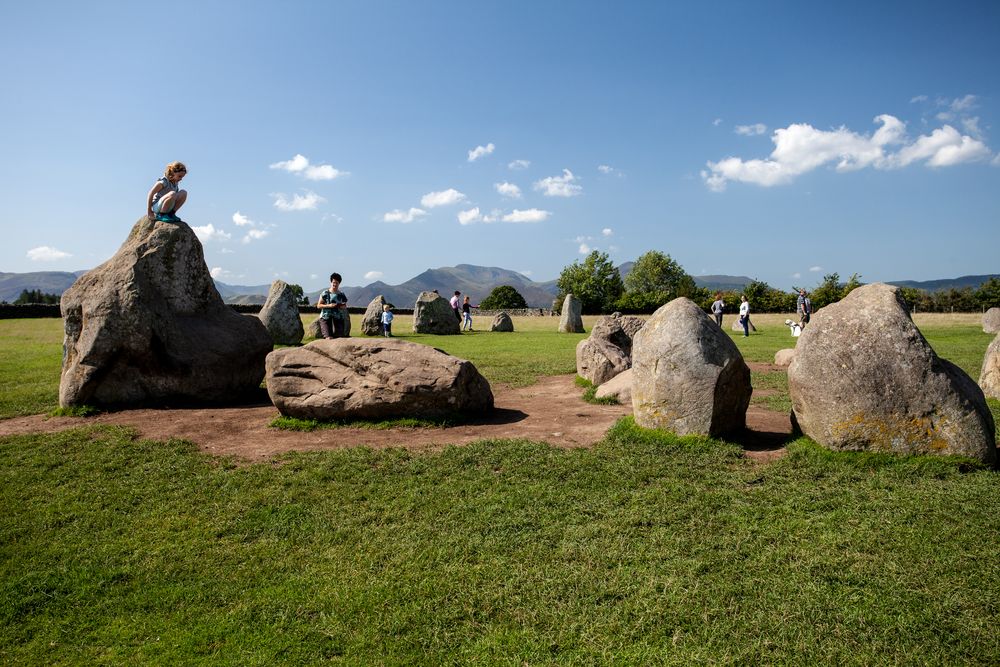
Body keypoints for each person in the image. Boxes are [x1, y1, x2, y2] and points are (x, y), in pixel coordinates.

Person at [317, 272, 349, 339]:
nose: (335, 284)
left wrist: (342, 306)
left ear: (339, 283)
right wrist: (329, 306)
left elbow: (345, 305)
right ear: (331, 282)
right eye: (333, 282)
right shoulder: (325, 293)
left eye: (337, 283)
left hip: (338, 317)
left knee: (339, 338)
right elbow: (319, 305)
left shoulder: (341, 294)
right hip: (325, 317)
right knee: (328, 337)